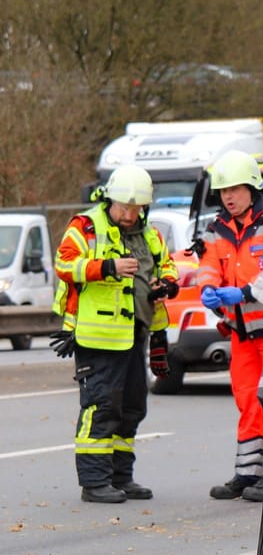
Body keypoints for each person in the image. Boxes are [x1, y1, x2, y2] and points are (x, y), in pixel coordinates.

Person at [52, 166, 179, 504]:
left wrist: (166, 283)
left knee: (132, 407)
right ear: (110, 200)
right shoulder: (86, 227)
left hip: (135, 332)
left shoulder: (149, 233)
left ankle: (121, 477)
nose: (128, 215)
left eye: (135, 209)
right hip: (97, 336)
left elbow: (166, 265)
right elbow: (65, 265)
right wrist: (106, 267)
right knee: (101, 406)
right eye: (123, 207)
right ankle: (94, 481)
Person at [197, 151, 263, 502]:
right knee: (247, 400)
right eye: (223, 191)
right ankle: (248, 473)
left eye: (234, 189)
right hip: (242, 332)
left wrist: (244, 292)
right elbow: (209, 263)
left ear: (251, 188)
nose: (228, 196)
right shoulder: (217, 228)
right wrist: (206, 287)